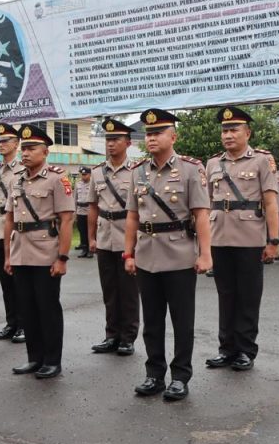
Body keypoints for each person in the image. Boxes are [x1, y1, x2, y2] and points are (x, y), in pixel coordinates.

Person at [124, 108, 211, 401]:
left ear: (173, 136)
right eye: (148, 134)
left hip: (179, 254)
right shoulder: (137, 172)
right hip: (147, 253)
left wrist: (205, 254)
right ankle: (154, 374)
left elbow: (201, 215)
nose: (151, 138)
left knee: (182, 320)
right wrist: (128, 253)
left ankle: (181, 376)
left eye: (158, 133)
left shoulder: (189, 169)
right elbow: (133, 217)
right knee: (152, 320)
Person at [203, 106, 279, 373]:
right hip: (219, 237)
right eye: (224, 130)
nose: (228, 135)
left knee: (247, 296)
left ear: (247, 132)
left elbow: (270, 202)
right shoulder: (213, 163)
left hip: (249, 238)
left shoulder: (261, 161)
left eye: (234, 129)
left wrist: (273, 240)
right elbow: (207, 205)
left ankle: (246, 350)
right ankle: (227, 349)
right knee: (226, 295)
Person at [4, 124, 74, 379]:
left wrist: (62, 257)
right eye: (24, 148)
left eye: (31, 148)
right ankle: (34, 358)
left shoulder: (57, 178)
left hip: (46, 252)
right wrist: (8, 255)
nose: (25, 153)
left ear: (45, 152)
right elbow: (9, 220)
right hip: (21, 251)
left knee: (47, 308)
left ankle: (52, 360)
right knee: (27, 308)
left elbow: (66, 220)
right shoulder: (16, 179)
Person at [87, 118, 139, 357]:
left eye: (116, 139)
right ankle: (111, 335)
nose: (110, 144)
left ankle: (128, 337)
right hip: (104, 235)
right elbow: (93, 207)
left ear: (128, 143)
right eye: (108, 139)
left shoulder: (137, 171)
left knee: (128, 291)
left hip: (127, 235)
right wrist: (91, 238)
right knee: (109, 290)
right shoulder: (97, 172)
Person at [0, 122, 25, 343]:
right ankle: (11, 323)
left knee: (20, 281)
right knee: (5, 282)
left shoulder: (23, 169)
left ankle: (24, 325)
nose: (1, 145)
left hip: (18, 229)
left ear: (16, 144)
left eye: (5, 141)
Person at [74, 167, 92, 257]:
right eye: (82, 174)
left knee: (90, 230)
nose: (83, 176)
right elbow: (75, 198)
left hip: (89, 211)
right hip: (80, 210)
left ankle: (90, 250)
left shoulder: (93, 184)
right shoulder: (78, 184)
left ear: (90, 175)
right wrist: (74, 212)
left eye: (85, 175)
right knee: (82, 231)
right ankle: (84, 249)